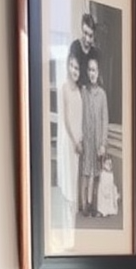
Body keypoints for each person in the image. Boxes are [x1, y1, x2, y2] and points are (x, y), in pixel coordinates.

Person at [79, 54, 109, 218]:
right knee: (85, 172)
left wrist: (103, 143)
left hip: (98, 141)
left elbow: (105, 120)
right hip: (87, 139)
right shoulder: (84, 92)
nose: (92, 73)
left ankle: (94, 205)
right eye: (90, 70)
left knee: (96, 174)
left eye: (94, 70)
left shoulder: (102, 95)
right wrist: (80, 138)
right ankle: (84, 205)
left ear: (98, 72)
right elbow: (79, 116)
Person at [56, 51, 83, 220]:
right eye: (72, 66)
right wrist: (74, 140)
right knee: (69, 170)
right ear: (67, 66)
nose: (74, 70)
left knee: (76, 171)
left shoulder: (79, 90)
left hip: (78, 136)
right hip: (69, 137)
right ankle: (70, 205)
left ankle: (74, 203)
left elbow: (79, 114)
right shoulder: (64, 88)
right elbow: (65, 118)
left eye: (77, 68)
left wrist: (80, 138)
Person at [67, 11, 99, 80]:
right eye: (85, 33)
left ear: (94, 36)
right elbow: (71, 74)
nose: (87, 39)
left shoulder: (95, 53)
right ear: (82, 30)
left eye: (90, 36)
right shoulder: (75, 47)